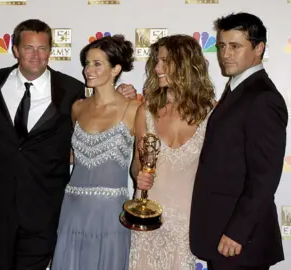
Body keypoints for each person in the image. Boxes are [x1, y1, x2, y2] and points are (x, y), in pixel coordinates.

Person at [0, 19, 137, 270]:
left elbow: (97, 118)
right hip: (0, 203)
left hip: (47, 206)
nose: (36, 55)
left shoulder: (72, 90)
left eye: (42, 48)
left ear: (51, 51)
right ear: (16, 49)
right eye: (29, 48)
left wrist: (124, 92)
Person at [190, 12, 287, 270]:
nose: (225, 54)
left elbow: (264, 178)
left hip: (239, 243)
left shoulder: (262, 98)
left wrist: (238, 232)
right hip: (224, 235)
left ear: (259, 48)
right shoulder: (239, 89)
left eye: (235, 46)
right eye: (222, 46)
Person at [51, 34, 140, 270]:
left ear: (116, 69)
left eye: (97, 64)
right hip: (73, 208)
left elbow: (139, 164)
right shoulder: (78, 107)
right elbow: (71, 155)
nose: (88, 70)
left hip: (111, 212)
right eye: (87, 63)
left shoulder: (134, 109)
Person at [129, 34, 215, 270]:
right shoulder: (145, 110)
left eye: (165, 61)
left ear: (185, 64)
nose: (157, 68)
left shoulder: (211, 114)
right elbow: (137, 164)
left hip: (188, 220)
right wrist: (139, 175)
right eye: (156, 61)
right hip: (147, 217)